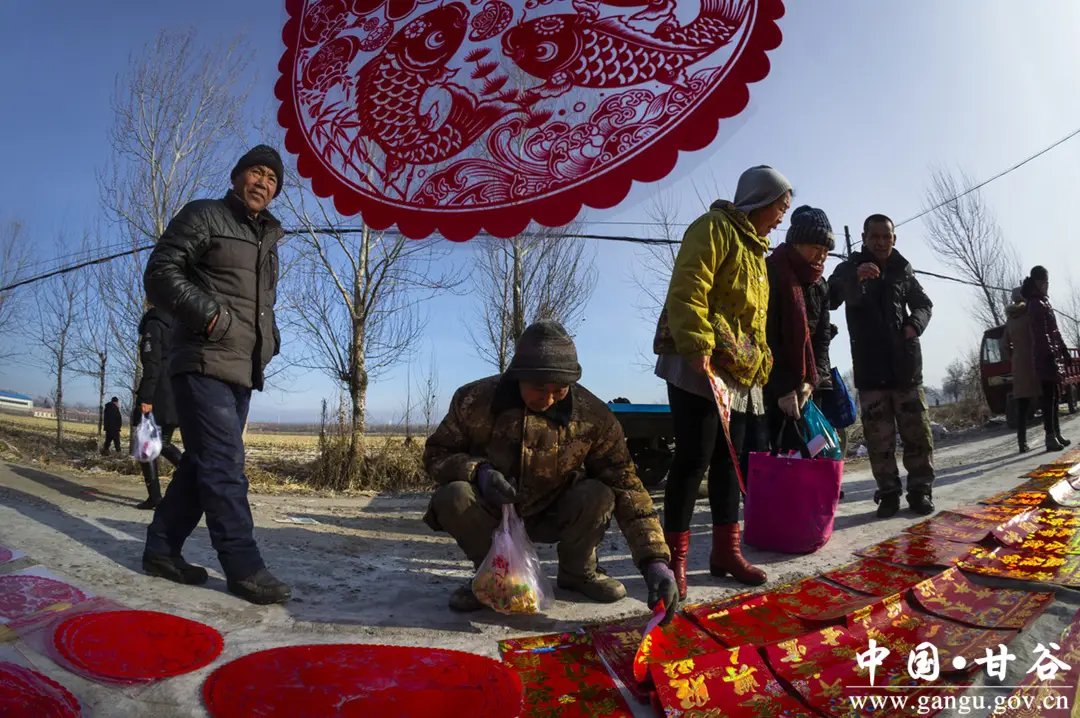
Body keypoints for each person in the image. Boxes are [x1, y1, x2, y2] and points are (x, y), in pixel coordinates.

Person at [423, 320, 678, 621]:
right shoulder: (473, 400)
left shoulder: (594, 416)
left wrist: (655, 562)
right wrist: (477, 471)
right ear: (517, 376)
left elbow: (628, 486)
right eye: (538, 388)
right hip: (491, 513)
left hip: (554, 513)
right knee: (453, 495)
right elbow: (436, 454)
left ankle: (577, 572)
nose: (547, 400)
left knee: (600, 493)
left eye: (559, 391)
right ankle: (492, 578)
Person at [140, 145, 290, 605]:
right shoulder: (205, 215)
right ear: (236, 176)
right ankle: (243, 567)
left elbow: (261, 307)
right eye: (255, 172)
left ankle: (161, 549)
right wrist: (211, 319)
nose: (262, 182)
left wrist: (271, 340)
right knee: (225, 465)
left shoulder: (268, 243)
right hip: (203, 360)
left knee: (203, 465)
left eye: (271, 178)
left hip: (242, 369)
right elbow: (160, 272)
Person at [653, 165, 793, 598]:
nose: (781, 218)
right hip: (700, 362)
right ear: (759, 200)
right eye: (779, 208)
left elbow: (756, 319)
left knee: (730, 464)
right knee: (693, 457)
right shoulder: (713, 228)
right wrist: (695, 342)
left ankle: (725, 553)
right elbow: (689, 285)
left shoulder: (757, 252)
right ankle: (672, 562)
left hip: (739, 371)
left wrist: (763, 362)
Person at [829, 214, 934, 518]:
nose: (880, 242)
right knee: (879, 439)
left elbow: (924, 304)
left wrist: (915, 325)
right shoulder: (849, 269)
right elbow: (830, 297)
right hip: (870, 369)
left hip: (906, 368)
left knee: (917, 434)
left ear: (893, 238)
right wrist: (855, 279)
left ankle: (920, 491)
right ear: (863, 238)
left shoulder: (903, 269)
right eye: (874, 236)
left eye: (886, 236)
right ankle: (888, 494)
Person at [764, 205, 834, 451]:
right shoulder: (770, 273)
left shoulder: (820, 285)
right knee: (774, 462)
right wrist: (783, 389)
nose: (822, 256)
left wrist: (811, 383)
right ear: (796, 244)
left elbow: (822, 340)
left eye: (826, 250)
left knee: (810, 458)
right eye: (816, 248)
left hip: (808, 387)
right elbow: (766, 336)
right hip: (770, 387)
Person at [131, 306, 183, 509]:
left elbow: (151, 364)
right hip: (175, 393)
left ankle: (155, 496)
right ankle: (192, 475)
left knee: (146, 445)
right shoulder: (179, 325)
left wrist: (145, 396)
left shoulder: (154, 324)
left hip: (157, 394)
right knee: (163, 443)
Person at [1026, 266, 1073, 451]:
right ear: (1039, 283)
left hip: (1053, 354)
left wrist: (1063, 349)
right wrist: (1051, 354)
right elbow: (1041, 333)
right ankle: (1050, 436)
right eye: (1046, 283)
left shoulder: (1044, 302)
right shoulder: (1035, 303)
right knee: (1048, 398)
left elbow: (1054, 330)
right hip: (1045, 357)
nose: (1047, 286)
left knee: (1054, 398)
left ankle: (1057, 432)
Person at [1002, 283, 1041, 453]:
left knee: (1023, 405)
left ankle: (1022, 443)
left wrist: (1014, 356)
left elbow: (1003, 345)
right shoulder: (1030, 315)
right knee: (1046, 399)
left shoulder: (1010, 320)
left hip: (1018, 364)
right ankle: (1051, 436)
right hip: (1035, 361)